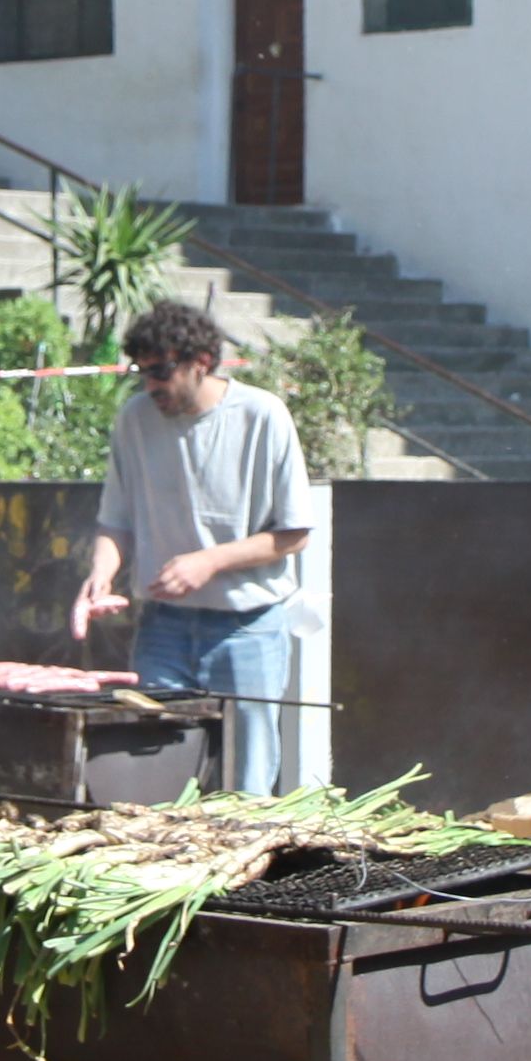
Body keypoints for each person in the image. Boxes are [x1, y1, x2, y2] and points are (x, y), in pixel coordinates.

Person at [70, 299, 319, 793]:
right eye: (141, 373)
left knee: (247, 778)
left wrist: (210, 561)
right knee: (155, 766)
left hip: (247, 628)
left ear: (200, 361)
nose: (150, 386)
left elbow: (294, 533)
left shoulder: (263, 415)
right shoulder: (134, 420)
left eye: (161, 371)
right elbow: (116, 523)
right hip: (163, 625)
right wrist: (101, 574)